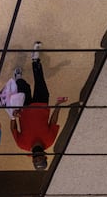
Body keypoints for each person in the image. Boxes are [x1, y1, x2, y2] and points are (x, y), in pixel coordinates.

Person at [9, 42, 68, 170]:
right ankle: (35, 59)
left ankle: (18, 76)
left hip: (24, 108)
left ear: (33, 158)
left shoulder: (22, 144)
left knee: (23, 86)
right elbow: (53, 122)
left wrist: (13, 117)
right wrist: (58, 106)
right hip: (42, 105)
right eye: (41, 156)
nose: (38, 155)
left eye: (36, 158)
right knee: (40, 80)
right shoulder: (50, 140)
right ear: (45, 156)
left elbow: (13, 129)